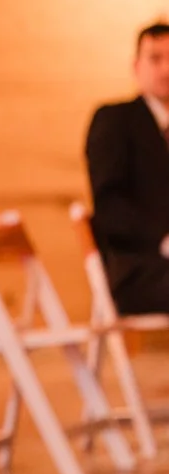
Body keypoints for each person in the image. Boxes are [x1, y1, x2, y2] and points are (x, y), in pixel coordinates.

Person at [86, 22, 169, 315]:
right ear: (137, 66)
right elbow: (110, 206)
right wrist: (162, 238)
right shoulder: (115, 121)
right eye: (156, 58)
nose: (165, 70)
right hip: (138, 269)